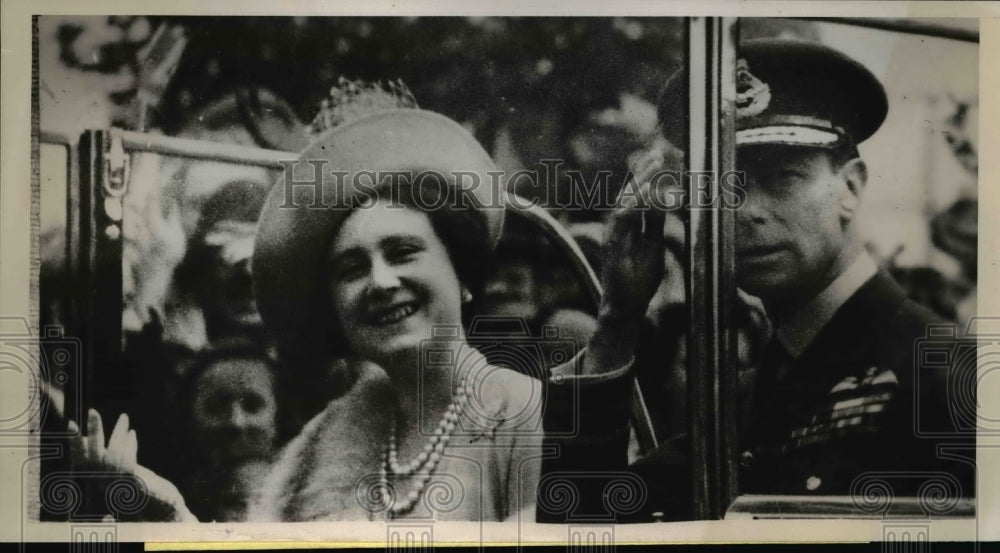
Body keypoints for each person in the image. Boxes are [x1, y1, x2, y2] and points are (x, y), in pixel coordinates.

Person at [538, 38, 975, 522]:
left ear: (850, 188)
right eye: (728, 187)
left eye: (784, 179)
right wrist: (618, 319)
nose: (747, 212)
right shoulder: (743, 400)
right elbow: (583, 523)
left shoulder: (947, 374)